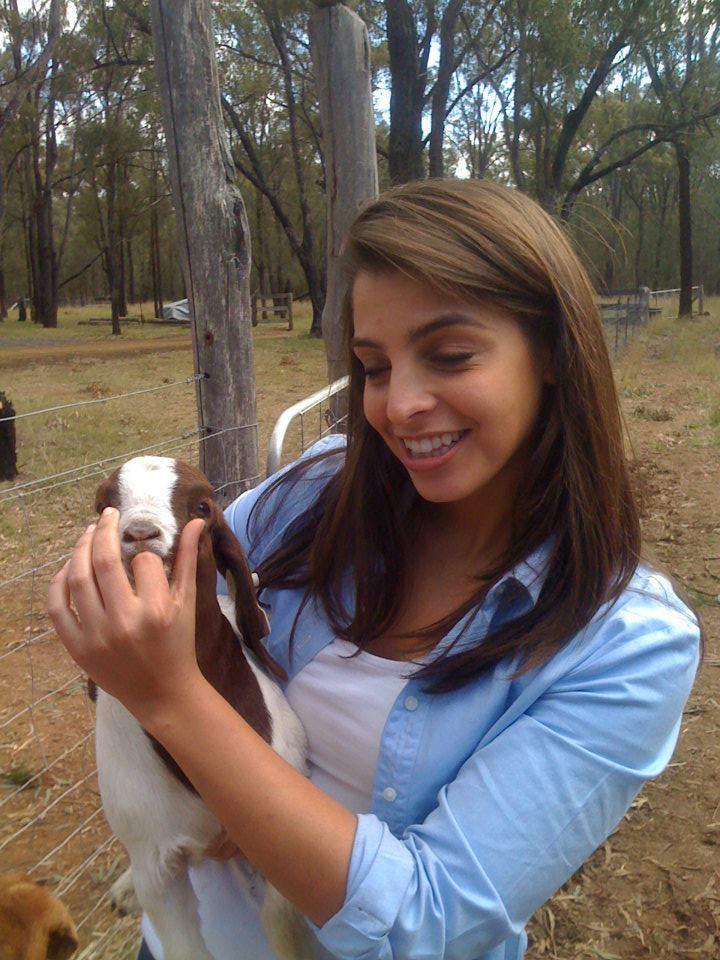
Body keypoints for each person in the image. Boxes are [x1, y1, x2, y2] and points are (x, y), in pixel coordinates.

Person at [48, 179, 700, 960]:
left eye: (450, 356)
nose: (399, 405)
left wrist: (179, 710)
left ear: (553, 353)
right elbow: (164, 600)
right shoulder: (315, 489)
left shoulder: (627, 647)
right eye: (374, 367)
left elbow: (430, 921)